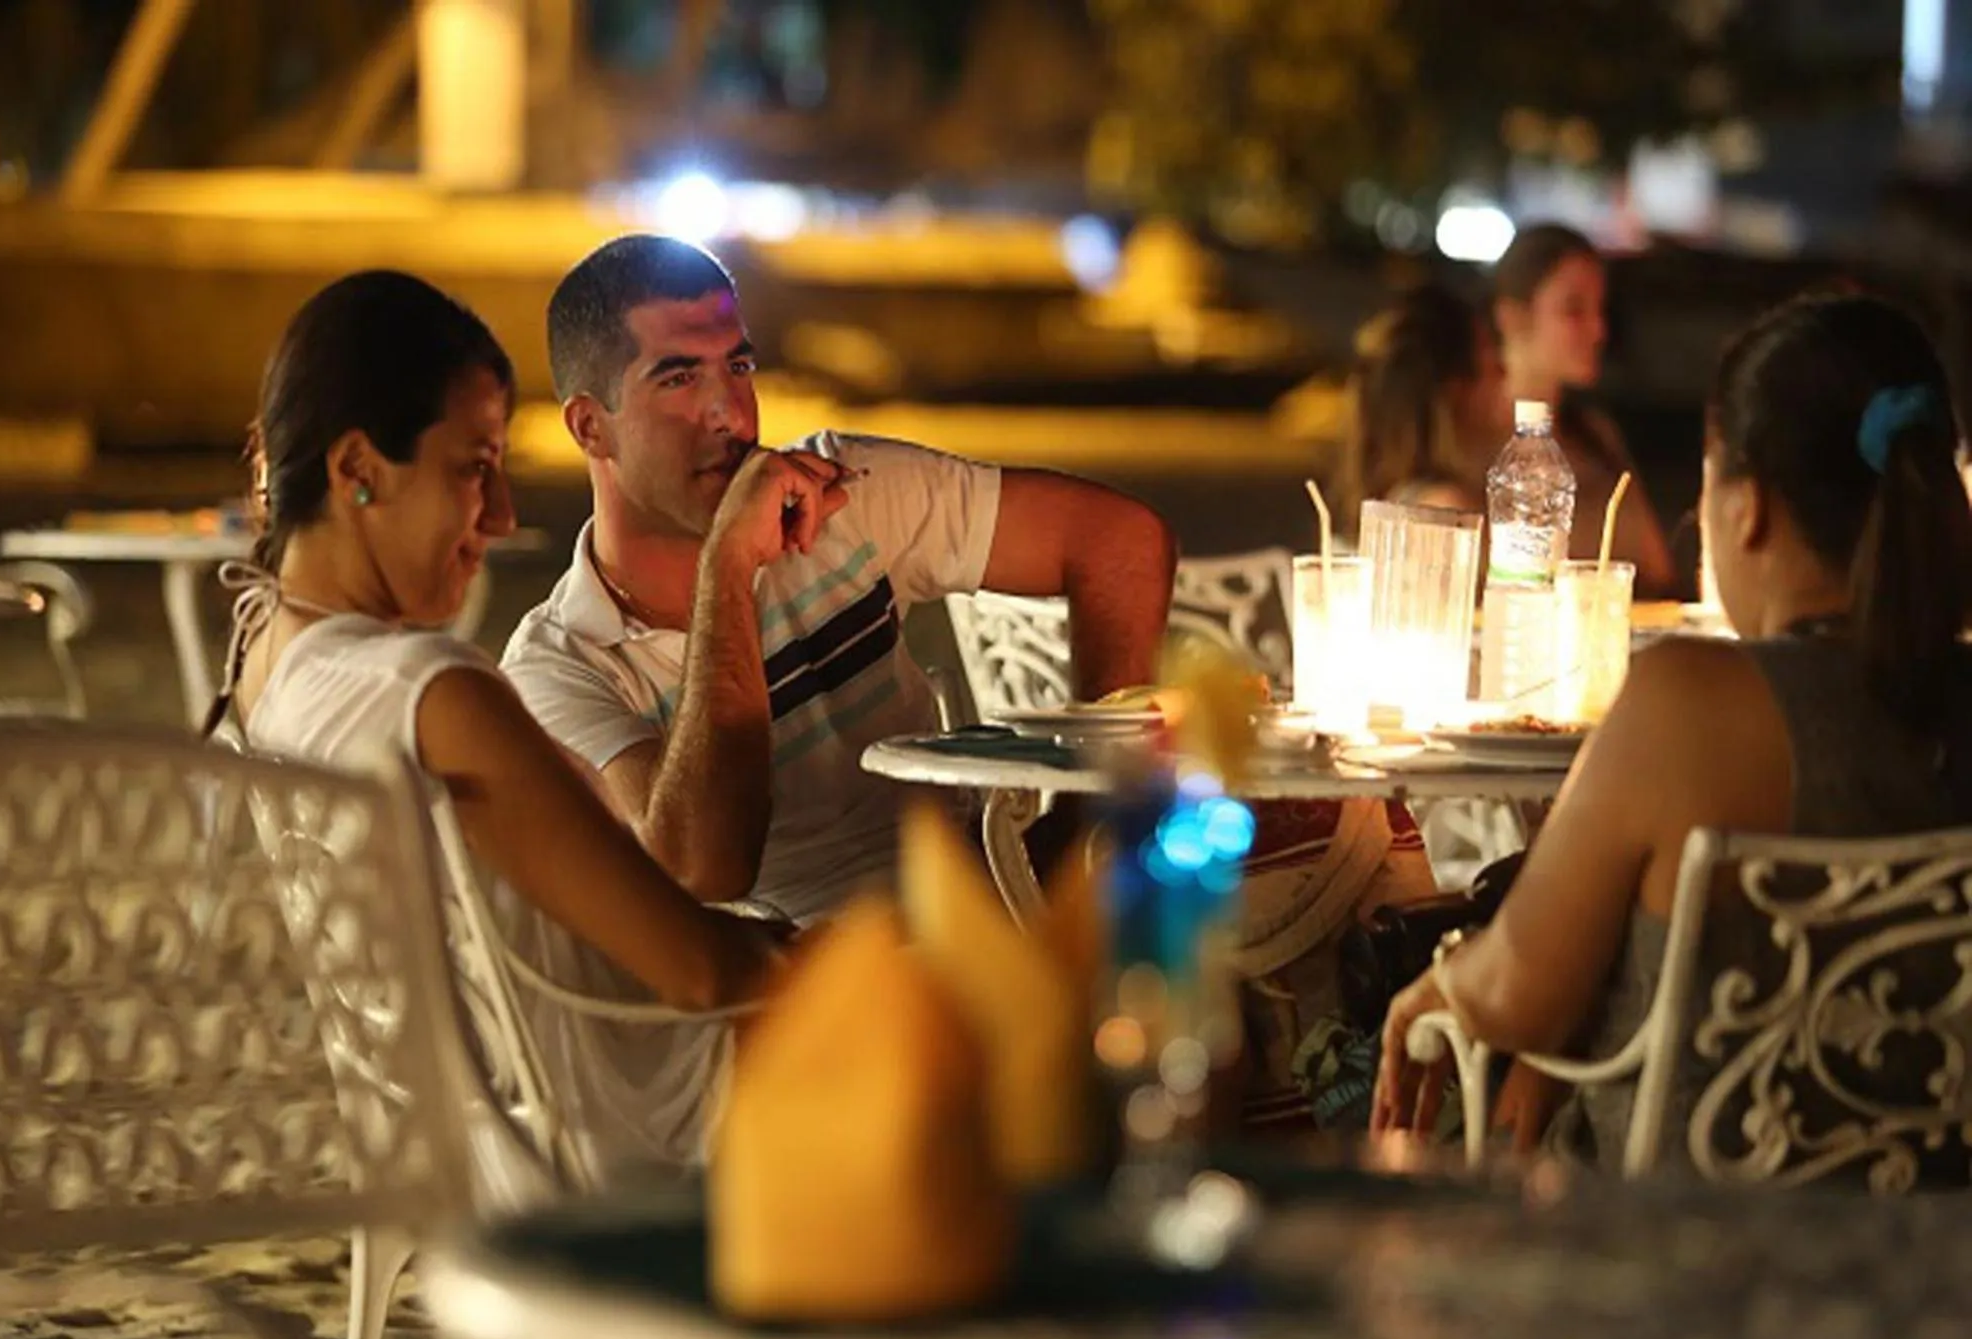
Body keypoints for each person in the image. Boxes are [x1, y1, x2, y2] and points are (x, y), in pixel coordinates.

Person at [1375, 289, 1972, 1168]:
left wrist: (1438, 981)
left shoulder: (1689, 704)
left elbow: (1519, 992)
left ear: (1747, 506)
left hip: (1675, 1236)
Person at [216, 269, 778, 1178]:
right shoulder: (437, 696)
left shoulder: (263, 652)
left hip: (457, 1126)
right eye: (475, 469)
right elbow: (699, 972)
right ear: (357, 470)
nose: (505, 517)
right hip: (602, 1138)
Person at [499, 234, 1176, 924]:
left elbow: (1120, 543)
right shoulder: (556, 669)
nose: (729, 413)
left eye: (738, 366)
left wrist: (1089, 810)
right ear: (591, 428)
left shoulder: (838, 494)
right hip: (803, 983)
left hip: (979, 911)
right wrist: (727, 567)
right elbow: (705, 863)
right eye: (678, 379)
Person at [1493, 223, 1676, 594]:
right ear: (1512, 317)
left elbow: (1657, 570)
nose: (1597, 330)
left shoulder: (1595, 435)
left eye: (1599, 309)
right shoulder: (1471, 443)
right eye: (1574, 310)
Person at [1336, 281, 1508, 527]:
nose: (1505, 374)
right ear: (1456, 389)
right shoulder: (1446, 513)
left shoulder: (1401, 499)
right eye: (1493, 364)